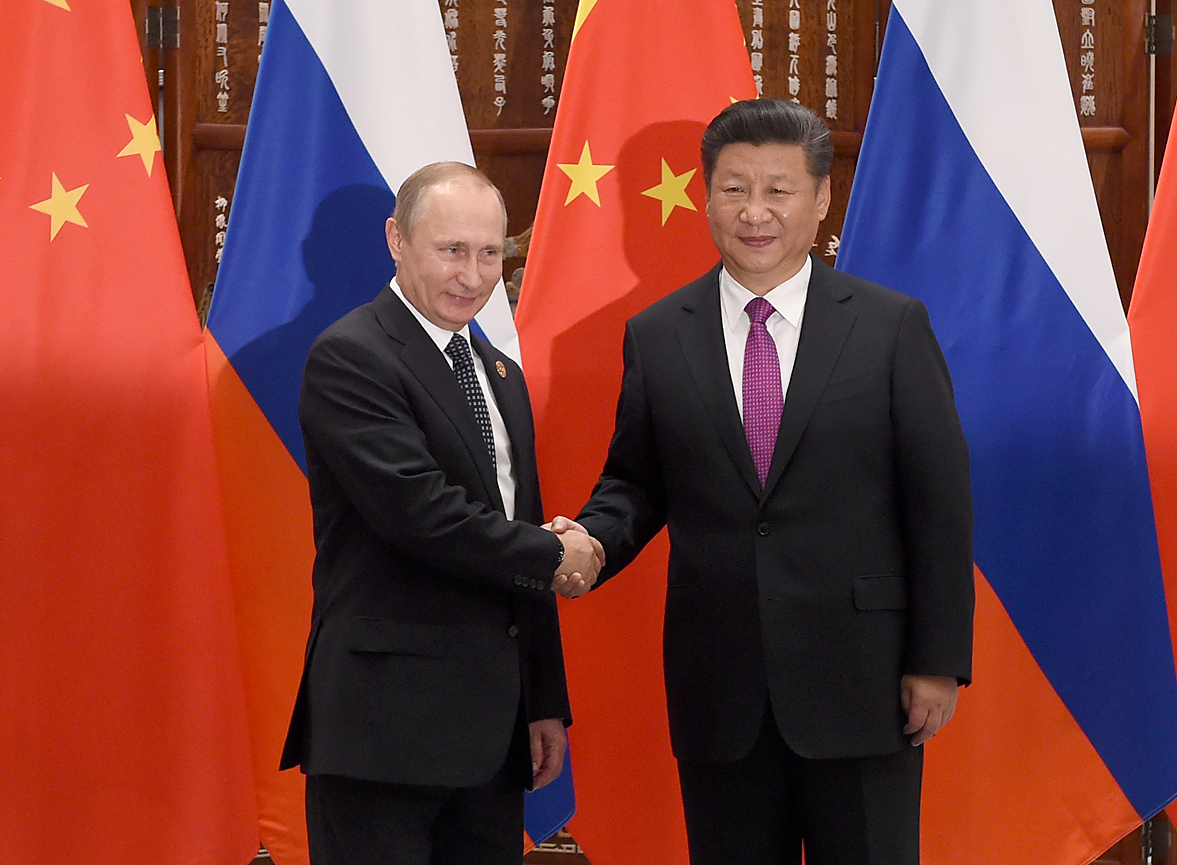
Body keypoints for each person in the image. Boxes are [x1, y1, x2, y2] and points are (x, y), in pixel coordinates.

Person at [554, 99, 975, 865]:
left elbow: (938, 504)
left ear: (819, 200)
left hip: (866, 682)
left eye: (779, 190)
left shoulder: (888, 327)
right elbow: (636, 482)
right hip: (722, 686)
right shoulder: (657, 333)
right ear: (706, 194)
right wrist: (589, 541)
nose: (755, 212)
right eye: (734, 188)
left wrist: (936, 658)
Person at [280, 161, 602, 865]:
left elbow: (522, 525)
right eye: (451, 249)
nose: (474, 274)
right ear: (397, 239)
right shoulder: (352, 356)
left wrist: (543, 698)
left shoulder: (498, 373)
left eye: (491, 253)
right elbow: (421, 512)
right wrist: (557, 556)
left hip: (491, 735)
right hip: (382, 729)